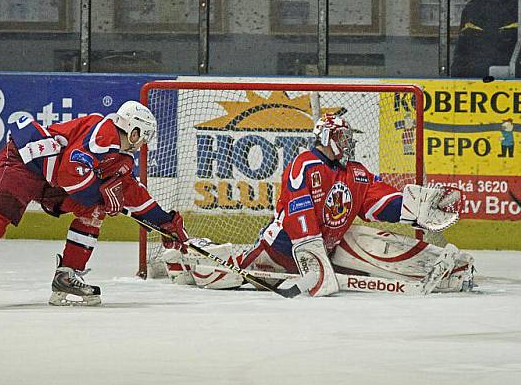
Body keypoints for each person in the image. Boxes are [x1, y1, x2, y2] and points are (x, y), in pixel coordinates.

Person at [163, 113, 475, 297]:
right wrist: (312, 261)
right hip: (281, 250)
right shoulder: (306, 164)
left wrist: (411, 207)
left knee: (371, 239)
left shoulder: (355, 172)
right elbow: (299, 216)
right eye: (341, 135)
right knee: (235, 270)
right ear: (325, 137)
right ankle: (186, 256)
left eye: (348, 135)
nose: (347, 141)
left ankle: (436, 265)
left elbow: (377, 202)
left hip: (328, 247)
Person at [0, 101, 186, 310]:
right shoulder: (103, 137)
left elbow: (131, 191)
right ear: (134, 130)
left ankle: (66, 275)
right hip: (23, 163)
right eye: (144, 137)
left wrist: (163, 221)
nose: (143, 145)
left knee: (94, 210)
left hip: (51, 178)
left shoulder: (120, 155)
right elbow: (71, 176)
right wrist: (101, 195)